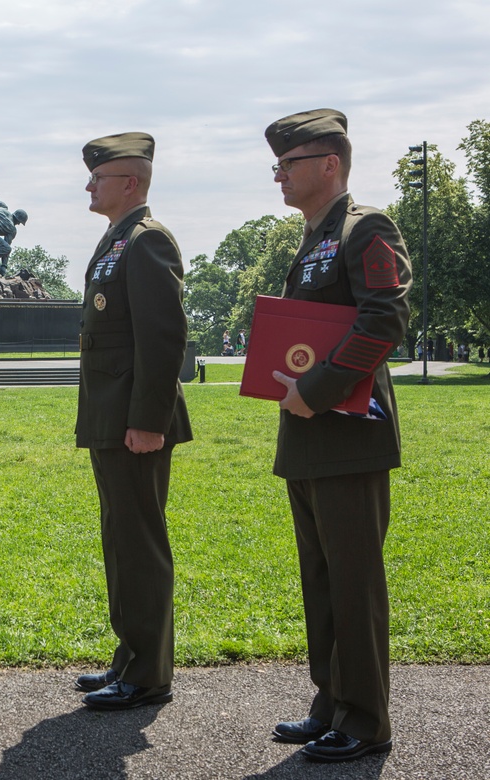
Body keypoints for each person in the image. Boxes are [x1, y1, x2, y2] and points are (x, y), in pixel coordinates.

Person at [264, 109, 412, 761]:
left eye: (288, 164)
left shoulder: (364, 228)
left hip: (349, 434)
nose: (278, 175)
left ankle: (365, 720)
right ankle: (331, 703)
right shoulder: (313, 236)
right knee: (322, 582)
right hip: (309, 437)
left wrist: (317, 389)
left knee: (354, 585)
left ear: (330, 165)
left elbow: (385, 321)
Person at [73, 132, 192, 710]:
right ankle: (130, 657)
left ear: (131, 182)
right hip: (112, 417)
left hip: (134, 423)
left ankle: (148, 675)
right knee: (121, 538)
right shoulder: (118, 239)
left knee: (139, 542)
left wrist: (149, 420)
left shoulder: (146, 241)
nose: (89, 185)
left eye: (98, 177)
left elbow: (164, 337)